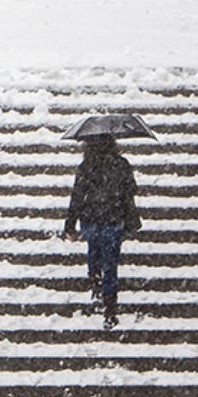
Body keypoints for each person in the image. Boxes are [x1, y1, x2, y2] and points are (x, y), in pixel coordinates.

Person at [61, 133, 141, 328]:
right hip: (112, 220)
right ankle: (110, 306)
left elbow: (77, 197)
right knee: (111, 263)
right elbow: (130, 192)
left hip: (91, 219)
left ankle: (95, 279)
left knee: (93, 250)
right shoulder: (121, 164)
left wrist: (70, 224)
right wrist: (131, 220)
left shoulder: (86, 166)